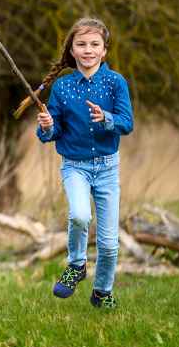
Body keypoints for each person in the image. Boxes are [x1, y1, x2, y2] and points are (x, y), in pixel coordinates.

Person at [25, 17, 133, 309]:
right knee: (80, 216)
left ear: (104, 51)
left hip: (107, 168)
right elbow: (51, 133)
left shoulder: (115, 82)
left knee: (110, 245)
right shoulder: (62, 87)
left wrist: (106, 119)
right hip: (75, 166)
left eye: (94, 44)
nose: (88, 50)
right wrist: (47, 124)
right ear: (71, 51)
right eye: (81, 44)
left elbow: (127, 123)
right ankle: (77, 264)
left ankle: (102, 292)